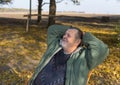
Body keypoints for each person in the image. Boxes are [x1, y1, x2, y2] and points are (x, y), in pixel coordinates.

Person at [28, 24, 109, 85]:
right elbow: (52, 29)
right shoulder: (55, 46)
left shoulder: (84, 58)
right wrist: (72, 29)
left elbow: (102, 49)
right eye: (64, 34)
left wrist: (85, 35)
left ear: (77, 42)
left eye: (68, 35)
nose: (64, 36)